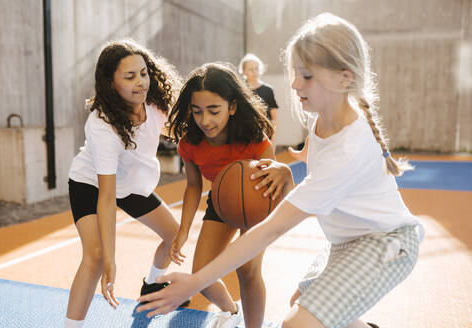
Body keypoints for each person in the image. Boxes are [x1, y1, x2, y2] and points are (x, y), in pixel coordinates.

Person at [137, 13, 425, 328]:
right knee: (300, 306)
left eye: (307, 76)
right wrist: (289, 171)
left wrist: (193, 283)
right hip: (347, 240)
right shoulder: (324, 121)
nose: (294, 83)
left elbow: (272, 228)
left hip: (385, 244)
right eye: (295, 73)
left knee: (296, 324)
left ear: (345, 78)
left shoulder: (349, 148)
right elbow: (316, 163)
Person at [163, 62, 293, 328]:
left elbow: (271, 187)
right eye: (197, 111)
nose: (205, 120)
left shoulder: (255, 139)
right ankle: (230, 310)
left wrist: (283, 177)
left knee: (247, 269)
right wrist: (183, 230)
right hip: (221, 202)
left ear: (232, 107)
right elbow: (193, 186)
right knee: (200, 273)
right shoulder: (190, 142)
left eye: (214, 110)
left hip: (257, 199)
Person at [65, 39, 183, 328]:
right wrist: (111, 262)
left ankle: (152, 285)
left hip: (131, 185)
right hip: (91, 184)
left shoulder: (154, 105)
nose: (140, 82)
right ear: (110, 82)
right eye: (129, 77)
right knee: (94, 256)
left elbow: (178, 130)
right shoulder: (102, 125)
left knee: (175, 237)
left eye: (143, 73)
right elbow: (106, 197)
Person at [239, 53, 280, 146]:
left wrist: (272, 140)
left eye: (256, 68)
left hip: (265, 136)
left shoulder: (268, 90)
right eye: (250, 69)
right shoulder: (240, 90)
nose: (254, 72)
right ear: (243, 71)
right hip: (245, 137)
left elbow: (274, 118)